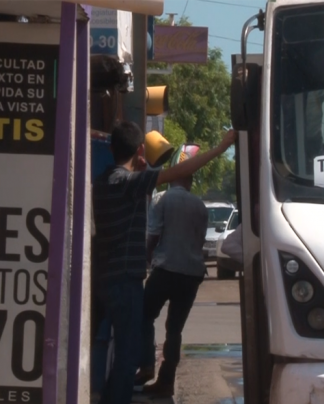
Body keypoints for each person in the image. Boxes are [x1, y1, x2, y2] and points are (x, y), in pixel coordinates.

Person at [91, 121, 236, 404]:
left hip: (103, 278)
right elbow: (182, 170)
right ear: (140, 150)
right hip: (126, 278)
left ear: (111, 149)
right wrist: (222, 147)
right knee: (126, 353)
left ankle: (95, 392)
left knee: (101, 342)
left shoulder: (102, 182)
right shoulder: (130, 182)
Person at [134, 148, 209, 397]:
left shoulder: (163, 200)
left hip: (165, 269)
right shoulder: (200, 206)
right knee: (174, 329)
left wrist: (147, 260)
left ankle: (146, 366)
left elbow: (152, 235)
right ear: (189, 182)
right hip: (191, 274)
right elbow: (200, 242)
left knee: (145, 316)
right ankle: (166, 381)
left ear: (176, 176)